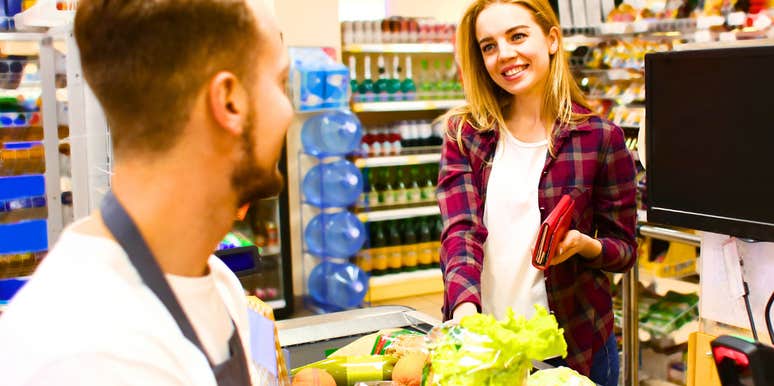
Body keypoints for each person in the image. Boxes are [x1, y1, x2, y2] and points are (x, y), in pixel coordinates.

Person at [0, 0, 292, 385]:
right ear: (229, 101)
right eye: (280, 82)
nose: (288, 109)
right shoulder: (88, 354)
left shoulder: (217, 282)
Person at [436, 0, 637, 384]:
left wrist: (584, 244)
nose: (504, 55)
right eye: (489, 45)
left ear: (552, 40)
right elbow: (460, 232)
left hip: (574, 351)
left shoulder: (600, 138)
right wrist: (464, 313)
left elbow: (624, 250)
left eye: (517, 36)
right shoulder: (465, 135)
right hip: (486, 350)